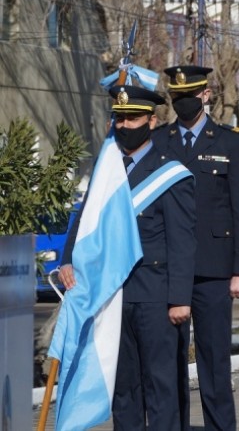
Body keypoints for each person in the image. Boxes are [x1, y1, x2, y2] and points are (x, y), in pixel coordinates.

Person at [60, 85, 197, 429]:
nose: (124, 125)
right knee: (123, 389)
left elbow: (182, 240)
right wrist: (67, 259)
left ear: (151, 121)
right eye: (119, 118)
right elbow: (85, 218)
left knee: (161, 388)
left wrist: (180, 298)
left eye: (133, 117)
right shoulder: (108, 169)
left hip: (156, 296)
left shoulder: (170, 172)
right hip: (113, 296)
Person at [152, 65, 239, 430]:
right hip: (166, 270)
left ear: (206, 95)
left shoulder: (231, 142)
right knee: (170, 366)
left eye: (191, 96)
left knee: (215, 366)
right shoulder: (158, 142)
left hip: (214, 272)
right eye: (177, 97)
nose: (184, 103)